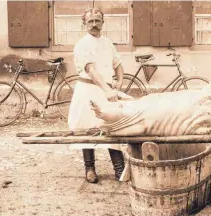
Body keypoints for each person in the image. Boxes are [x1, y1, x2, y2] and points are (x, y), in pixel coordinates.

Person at [68, 8, 127, 183]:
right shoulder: (82, 44)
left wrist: (120, 82)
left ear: (102, 22)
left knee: (112, 127)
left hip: (107, 91)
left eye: (97, 21)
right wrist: (107, 89)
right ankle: (90, 169)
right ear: (84, 24)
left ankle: (120, 170)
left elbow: (118, 64)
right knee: (88, 129)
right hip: (88, 90)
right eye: (90, 21)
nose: (94, 24)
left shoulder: (108, 42)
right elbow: (91, 70)